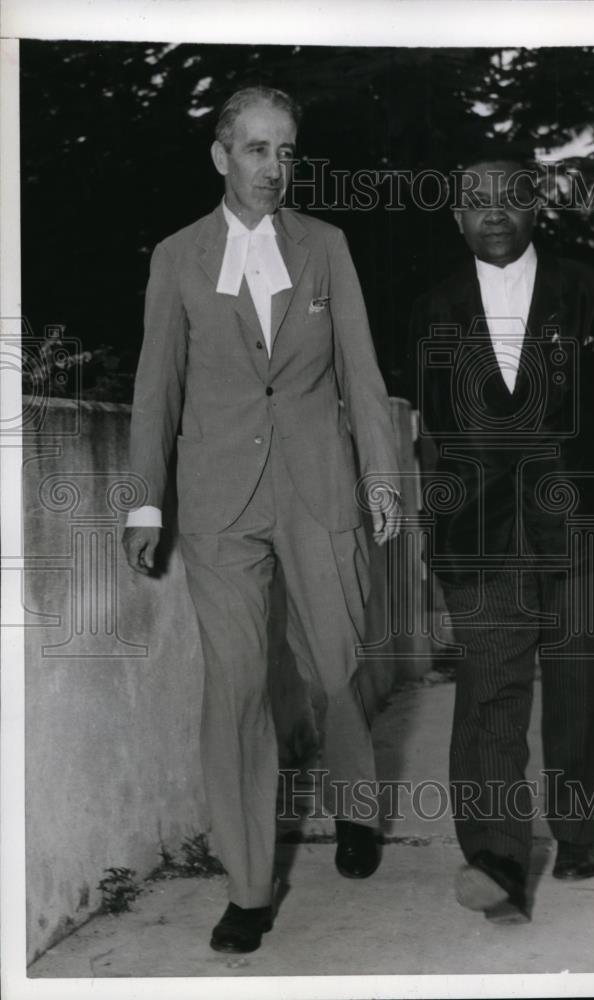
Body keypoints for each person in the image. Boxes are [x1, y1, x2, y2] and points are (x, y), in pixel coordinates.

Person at [122, 86, 400, 954]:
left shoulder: (327, 247)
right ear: (220, 155)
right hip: (218, 501)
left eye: (285, 152)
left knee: (337, 663)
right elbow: (155, 385)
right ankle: (248, 885)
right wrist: (145, 498)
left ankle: (356, 803)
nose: (273, 168)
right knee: (237, 686)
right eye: (255, 150)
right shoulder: (177, 256)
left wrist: (382, 476)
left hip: (317, 488)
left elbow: (361, 368)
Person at [412, 152, 594, 921]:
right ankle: (497, 857)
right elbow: (431, 429)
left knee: (576, 682)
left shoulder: (589, 293)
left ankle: (575, 834)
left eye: (510, 198)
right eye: (476, 202)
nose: (494, 213)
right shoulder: (436, 303)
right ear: (456, 216)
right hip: (480, 528)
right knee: (490, 693)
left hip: (575, 516)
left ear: (536, 206)